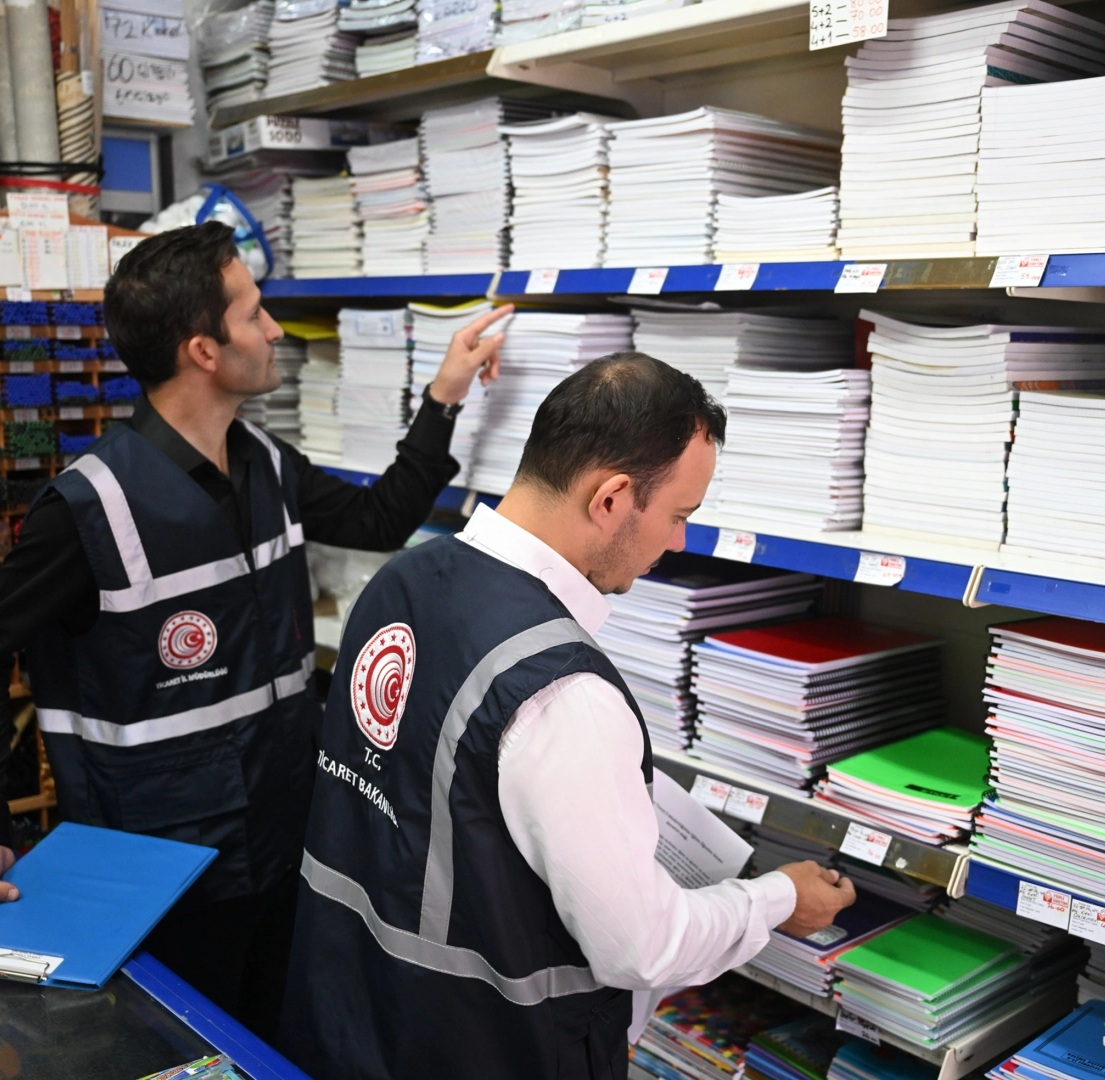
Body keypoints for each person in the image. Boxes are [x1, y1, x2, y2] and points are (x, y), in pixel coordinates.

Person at [0, 221, 512, 1039]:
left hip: (285, 838)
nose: (274, 330)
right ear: (202, 351)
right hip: (157, 869)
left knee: (278, 1038)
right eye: (253, 313)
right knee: (175, 1049)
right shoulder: (89, 506)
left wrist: (443, 398)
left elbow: (378, 519)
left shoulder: (265, 463)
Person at [279, 352, 856, 1080]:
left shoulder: (401, 579)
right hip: (488, 1051)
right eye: (678, 516)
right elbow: (641, 947)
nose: (678, 541)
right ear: (610, 498)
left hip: (348, 1021)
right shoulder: (564, 692)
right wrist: (777, 899)